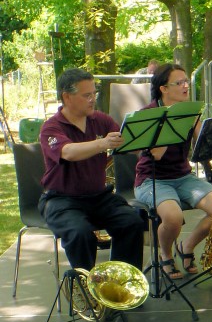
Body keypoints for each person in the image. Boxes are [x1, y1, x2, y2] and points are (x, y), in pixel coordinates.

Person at [38, 68, 144, 273]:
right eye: (86, 95)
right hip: (61, 200)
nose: (92, 99)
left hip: (98, 197)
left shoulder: (101, 120)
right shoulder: (51, 127)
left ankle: (120, 281)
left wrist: (143, 142)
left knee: (131, 222)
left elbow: (126, 141)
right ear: (67, 97)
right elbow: (68, 152)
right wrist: (103, 143)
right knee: (80, 233)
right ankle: (86, 284)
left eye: (94, 93)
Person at [133, 64, 212, 280]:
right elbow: (155, 154)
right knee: (173, 217)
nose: (186, 86)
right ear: (163, 89)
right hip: (152, 179)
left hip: (183, 176)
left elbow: (205, 144)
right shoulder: (148, 114)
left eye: (186, 81)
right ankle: (165, 255)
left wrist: (208, 131)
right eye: (180, 83)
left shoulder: (189, 111)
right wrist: (171, 124)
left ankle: (186, 246)